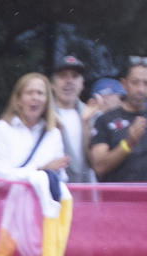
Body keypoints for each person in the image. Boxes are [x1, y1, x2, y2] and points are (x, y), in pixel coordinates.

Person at [90, 59, 147, 182]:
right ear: (124, 84)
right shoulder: (104, 120)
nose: (140, 89)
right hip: (117, 199)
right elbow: (99, 167)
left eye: (146, 83)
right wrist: (128, 144)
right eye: (135, 83)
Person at [0, 73, 69, 180]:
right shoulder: (2, 129)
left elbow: (61, 177)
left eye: (40, 93)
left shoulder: (53, 134)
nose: (35, 98)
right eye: (29, 93)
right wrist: (39, 171)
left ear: (47, 101)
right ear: (18, 99)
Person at [49, 55, 96, 183]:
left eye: (75, 76)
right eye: (63, 76)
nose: (69, 81)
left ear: (82, 84)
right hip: (55, 195)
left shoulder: (95, 116)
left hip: (87, 195)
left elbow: (97, 163)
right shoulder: (42, 116)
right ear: (52, 84)